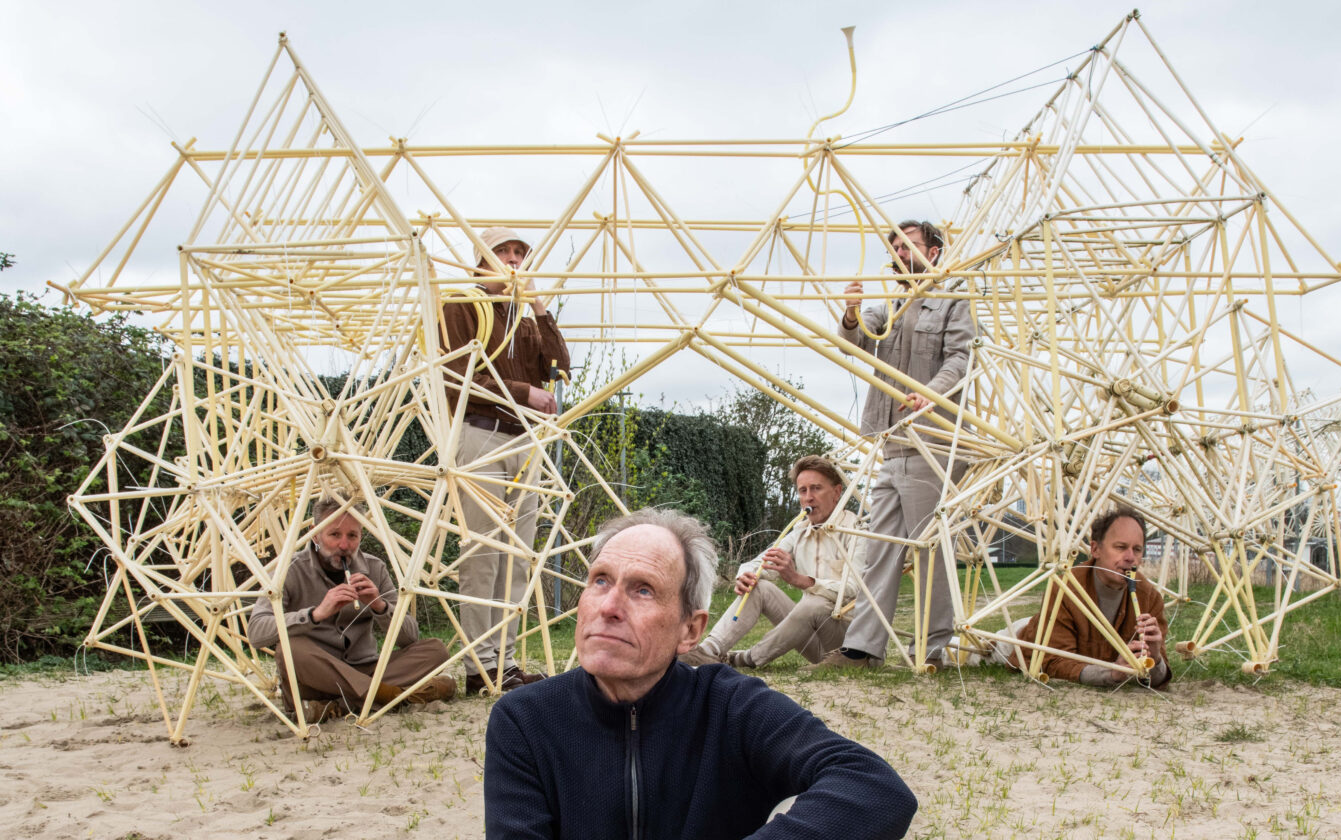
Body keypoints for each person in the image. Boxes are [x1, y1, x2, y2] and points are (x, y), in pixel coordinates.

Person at [483, 508, 918, 839]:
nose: (609, 607)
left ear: (690, 629)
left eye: (643, 589)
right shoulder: (525, 720)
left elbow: (874, 788)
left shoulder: (731, 706)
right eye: (599, 580)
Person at [813, 220, 974, 671]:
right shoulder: (895, 305)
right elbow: (859, 340)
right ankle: (863, 649)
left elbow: (963, 358)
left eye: (909, 246)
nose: (900, 253)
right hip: (893, 442)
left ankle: (935, 649)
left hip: (933, 441)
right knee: (880, 545)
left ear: (935, 252)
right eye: (896, 247)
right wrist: (851, 312)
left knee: (930, 552)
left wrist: (933, 394)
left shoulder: (953, 300)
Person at [439, 227, 570, 693]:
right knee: (483, 555)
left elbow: (560, 368)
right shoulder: (460, 303)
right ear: (480, 260)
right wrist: (523, 391)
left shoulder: (525, 318)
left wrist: (537, 305)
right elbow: (458, 375)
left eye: (520, 253)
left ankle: (506, 663)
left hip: (523, 441)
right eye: (503, 252)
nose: (514, 260)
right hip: (480, 436)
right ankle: (481, 666)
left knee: (518, 557)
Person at [248, 498, 455, 721]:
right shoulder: (289, 569)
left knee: (436, 650)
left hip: (366, 668)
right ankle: (389, 695)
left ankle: (337, 705)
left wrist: (379, 606)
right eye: (334, 535)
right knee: (290, 648)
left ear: (361, 536)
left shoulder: (374, 568)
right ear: (315, 534)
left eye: (352, 536)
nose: (344, 545)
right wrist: (315, 614)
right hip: (316, 677)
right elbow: (256, 632)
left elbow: (409, 637)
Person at [680, 455, 866, 669]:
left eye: (816, 489)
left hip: (846, 644)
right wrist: (745, 575)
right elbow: (759, 563)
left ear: (836, 493)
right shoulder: (799, 531)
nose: (808, 498)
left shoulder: (856, 530)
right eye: (803, 491)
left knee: (814, 603)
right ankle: (708, 652)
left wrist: (800, 580)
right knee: (759, 586)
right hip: (814, 640)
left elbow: (855, 589)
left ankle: (745, 659)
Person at [1007, 507, 1171, 687]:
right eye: (1120, 547)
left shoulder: (1149, 596)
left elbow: (1156, 678)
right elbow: (1053, 662)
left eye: (1137, 549)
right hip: (1021, 637)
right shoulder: (1065, 587)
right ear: (1095, 549)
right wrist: (1112, 673)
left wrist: (1155, 659)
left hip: (1058, 633)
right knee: (984, 651)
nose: (1130, 557)